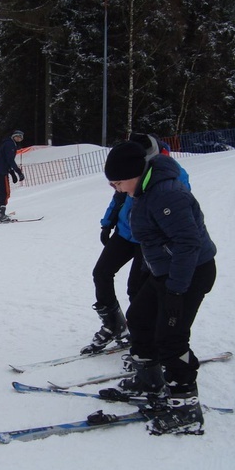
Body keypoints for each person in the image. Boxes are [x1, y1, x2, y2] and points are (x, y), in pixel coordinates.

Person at [88, 140, 217, 435]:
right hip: (166, 271)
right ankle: (150, 382)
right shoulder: (144, 187)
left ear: (134, 174)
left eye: (118, 183)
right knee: (139, 319)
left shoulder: (167, 195)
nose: (117, 190)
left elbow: (188, 244)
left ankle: (186, 410)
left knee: (170, 338)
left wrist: (175, 290)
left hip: (190, 273)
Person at [82, 134, 190, 355]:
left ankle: (145, 338)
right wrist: (108, 223)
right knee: (101, 273)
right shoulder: (129, 169)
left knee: (137, 290)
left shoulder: (173, 174)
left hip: (148, 239)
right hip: (125, 233)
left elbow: (176, 210)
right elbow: (119, 197)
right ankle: (114, 324)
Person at [0, 130, 25, 222]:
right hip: (1, 171)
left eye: (20, 137)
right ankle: (0, 214)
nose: (19, 138)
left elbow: (5, 159)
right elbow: (10, 160)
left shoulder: (8, 143)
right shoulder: (10, 144)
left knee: (0, 191)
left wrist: (12, 173)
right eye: (17, 136)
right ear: (13, 136)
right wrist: (18, 172)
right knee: (5, 193)